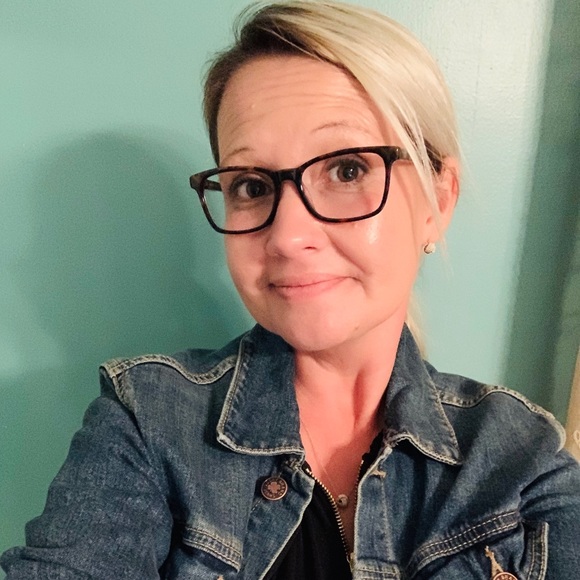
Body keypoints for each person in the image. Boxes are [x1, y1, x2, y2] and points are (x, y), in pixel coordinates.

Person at [2, 1, 579, 578]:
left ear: (439, 201)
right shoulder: (149, 421)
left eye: (347, 170)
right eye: (252, 185)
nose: (287, 236)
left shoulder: (518, 458)